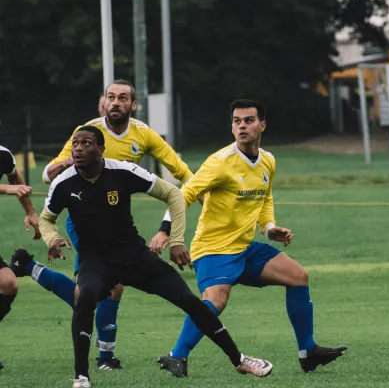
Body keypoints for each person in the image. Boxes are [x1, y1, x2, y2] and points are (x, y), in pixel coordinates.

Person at [38, 126, 272, 388]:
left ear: (101, 149)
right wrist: (53, 239)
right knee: (84, 299)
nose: (78, 148)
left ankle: (238, 358)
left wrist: (175, 240)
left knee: (189, 301)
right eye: (75, 144)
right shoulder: (63, 182)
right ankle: (81, 377)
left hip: (135, 257)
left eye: (86, 143)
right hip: (96, 262)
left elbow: (173, 193)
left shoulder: (123, 171)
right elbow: (46, 219)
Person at [150, 99, 346, 377]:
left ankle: (308, 352)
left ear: (262, 125)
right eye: (236, 121)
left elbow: (265, 197)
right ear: (232, 128)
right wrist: (165, 230)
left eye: (248, 120)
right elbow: (183, 194)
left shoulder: (268, 161)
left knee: (298, 276)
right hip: (213, 248)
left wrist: (269, 228)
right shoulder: (219, 162)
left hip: (245, 248)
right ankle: (176, 356)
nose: (242, 126)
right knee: (216, 301)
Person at [10, 80, 194, 370]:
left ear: (133, 105)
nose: (115, 103)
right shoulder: (87, 133)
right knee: (105, 290)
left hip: (119, 225)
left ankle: (29, 267)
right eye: (111, 97)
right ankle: (105, 358)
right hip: (84, 220)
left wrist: (170, 223)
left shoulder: (144, 134)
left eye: (122, 98)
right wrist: (67, 162)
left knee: (91, 294)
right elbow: (47, 174)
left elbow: (183, 175)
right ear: (104, 102)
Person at [0, 143, 41, 370]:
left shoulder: (2, 154)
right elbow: (12, 186)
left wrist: (31, 212)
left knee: (7, 283)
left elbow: (15, 177)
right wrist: (8, 189)